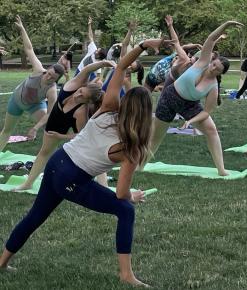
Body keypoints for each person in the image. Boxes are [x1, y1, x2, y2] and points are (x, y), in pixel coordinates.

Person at [0, 38, 170, 287]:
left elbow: (120, 67)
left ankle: (2, 262)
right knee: (125, 210)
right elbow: (122, 194)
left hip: (58, 161)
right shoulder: (132, 148)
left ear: (126, 100)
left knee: (36, 215)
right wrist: (132, 196)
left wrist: (143, 45)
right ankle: (126, 275)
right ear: (146, 116)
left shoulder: (110, 106)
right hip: (71, 177)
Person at [150, 20, 243, 176]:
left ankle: (221, 169)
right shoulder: (203, 62)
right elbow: (211, 39)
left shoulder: (213, 87)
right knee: (156, 137)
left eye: (217, 70)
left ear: (220, 73)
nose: (213, 68)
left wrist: (190, 121)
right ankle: (140, 165)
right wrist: (226, 24)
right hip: (169, 97)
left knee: (212, 130)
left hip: (189, 106)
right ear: (212, 61)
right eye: (214, 64)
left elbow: (206, 112)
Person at [13, 59, 116, 192]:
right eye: (80, 91)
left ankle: (104, 188)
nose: (78, 95)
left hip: (65, 128)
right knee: (44, 152)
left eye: (82, 97)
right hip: (55, 122)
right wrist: (104, 63)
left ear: (88, 102)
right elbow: (87, 69)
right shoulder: (72, 86)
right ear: (82, 86)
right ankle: (28, 183)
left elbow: (81, 135)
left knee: (93, 152)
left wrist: (61, 136)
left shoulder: (80, 112)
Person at [0, 16, 64, 152]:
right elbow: (29, 49)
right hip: (16, 101)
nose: (47, 77)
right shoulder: (38, 70)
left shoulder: (52, 91)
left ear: (55, 81)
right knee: (7, 131)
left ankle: (52, 157)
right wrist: (22, 29)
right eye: (48, 73)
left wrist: (35, 128)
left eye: (52, 78)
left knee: (51, 127)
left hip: (34, 105)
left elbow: (50, 114)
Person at [74, 16, 107, 81]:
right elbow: (91, 36)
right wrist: (89, 25)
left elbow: (98, 76)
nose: (96, 50)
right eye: (98, 49)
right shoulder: (93, 49)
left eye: (98, 51)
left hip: (86, 76)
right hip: (79, 70)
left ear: (99, 55)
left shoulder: (98, 64)